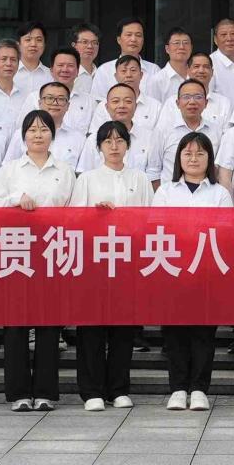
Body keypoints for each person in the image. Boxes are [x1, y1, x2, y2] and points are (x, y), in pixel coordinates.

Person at [0, 109, 76, 411]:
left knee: (48, 325)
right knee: (15, 325)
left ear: (53, 135)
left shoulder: (64, 170)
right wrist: (16, 201)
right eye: (32, 130)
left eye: (44, 129)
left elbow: (74, 210)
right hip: (17, 251)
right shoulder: (10, 170)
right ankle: (18, 394)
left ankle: (45, 392)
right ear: (23, 135)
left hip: (52, 251)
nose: (38, 135)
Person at [72, 120, 151, 412]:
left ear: (128, 145)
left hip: (127, 261)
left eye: (119, 141)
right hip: (94, 261)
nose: (114, 146)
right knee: (91, 328)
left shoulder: (140, 179)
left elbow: (150, 220)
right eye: (108, 141)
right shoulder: (87, 179)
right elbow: (74, 220)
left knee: (123, 329)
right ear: (99, 147)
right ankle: (91, 390)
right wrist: (95, 215)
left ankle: (118, 388)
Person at [154, 131, 232, 411]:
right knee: (175, 333)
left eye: (200, 153)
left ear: (209, 159)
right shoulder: (165, 192)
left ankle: (199, 388)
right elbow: (157, 230)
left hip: (206, 272)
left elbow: (225, 232)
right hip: (172, 271)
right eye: (188, 153)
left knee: (203, 333)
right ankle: (177, 388)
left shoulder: (220, 194)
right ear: (179, 158)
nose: (194, 158)